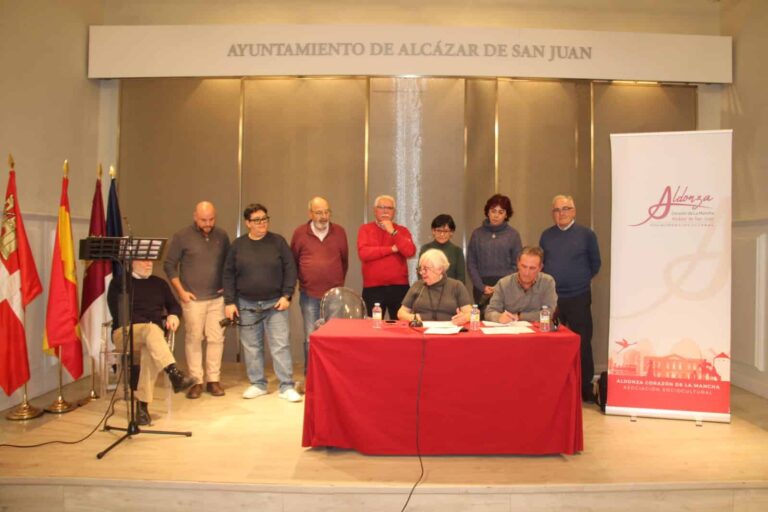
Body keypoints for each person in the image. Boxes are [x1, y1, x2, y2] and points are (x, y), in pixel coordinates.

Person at [223, 203, 301, 403]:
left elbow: (290, 269)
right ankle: (258, 384)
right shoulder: (237, 245)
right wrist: (230, 302)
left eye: (265, 219)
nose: (262, 223)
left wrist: (287, 296)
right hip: (246, 304)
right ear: (248, 223)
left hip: (276, 304)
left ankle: (286, 386)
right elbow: (228, 274)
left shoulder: (278, 242)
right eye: (257, 220)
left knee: (280, 345)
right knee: (251, 346)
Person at [107, 260, 196, 426]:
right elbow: (117, 313)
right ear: (132, 263)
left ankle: (142, 408)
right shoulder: (120, 283)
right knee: (152, 330)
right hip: (125, 333)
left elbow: (174, 306)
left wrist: (173, 315)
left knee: (150, 347)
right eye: (144, 261)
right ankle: (174, 373)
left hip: (152, 339)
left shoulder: (159, 283)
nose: (149, 265)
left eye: (150, 261)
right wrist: (144, 325)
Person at [164, 201, 230, 399]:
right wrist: (181, 292)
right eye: (203, 220)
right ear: (195, 216)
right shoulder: (181, 236)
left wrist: (227, 286)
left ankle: (213, 380)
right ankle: (196, 381)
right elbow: (169, 266)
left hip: (217, 299)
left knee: (217, 339)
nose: (208, 223)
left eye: (211, 219)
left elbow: (229, 264)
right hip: (192, 299)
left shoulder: (222, 236)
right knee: (194, 339)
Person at [539, 194, 601, 402]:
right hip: (552, 299)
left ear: (573, 211)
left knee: (582, 343)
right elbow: (542, 265)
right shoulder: (546, 236)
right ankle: (556, 387)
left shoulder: (586, 235)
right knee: (551, 343)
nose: (561, 213)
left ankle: (584, 388)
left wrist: (578, 280)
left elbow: (596, 264)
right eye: (557, 210)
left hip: (578, 296)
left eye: (565, 209)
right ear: (552, 214)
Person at [290, 196, 348, 374]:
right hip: (309, 295)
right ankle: (312, 375)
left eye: (326, 212)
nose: (324, 216)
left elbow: (344, 261)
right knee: (311, 337)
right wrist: (305, 281)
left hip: (335, 296)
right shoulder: (300, 233)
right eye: (319, 212)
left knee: (335, 337)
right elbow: (293, 262)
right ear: (310, 213)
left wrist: (336, 282)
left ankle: (333, 374)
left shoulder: (339, 231)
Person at [357, 194, 416, 318]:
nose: (385, 211)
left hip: (399, 288)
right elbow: (364, 253)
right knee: (373, 329)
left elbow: (410, 251)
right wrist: (392, 249)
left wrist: (393, 232)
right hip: (373, 288)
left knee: (402, 328)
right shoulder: (365, 229)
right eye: (381, 207)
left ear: (394, 212)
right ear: (374, 210)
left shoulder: (402, 231)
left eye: (389, 208)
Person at [467, 194, 523, 309]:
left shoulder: (513, 235)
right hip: (481, 287)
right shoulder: (477, 234)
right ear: (488, 212)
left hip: (506, 286)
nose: (496, 215)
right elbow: (471, 263)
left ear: (506, 215)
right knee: (481, 322)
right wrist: (481, 286)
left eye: (501, 212)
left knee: (504, 322)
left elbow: (517, 264)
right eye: (493, 211)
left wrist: (500, 286)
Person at [397, 249, 472, 325]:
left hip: (449, 331)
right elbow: (401, 313)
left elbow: (471, 313)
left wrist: (464, 318)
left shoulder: (457, 286)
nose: (422, 272)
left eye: (426, 269)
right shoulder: (417, 285)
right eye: (420, 269)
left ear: (439, 269)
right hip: (421, 331)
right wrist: (412, 317)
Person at [485, 246, 557, 323]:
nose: (526, 273)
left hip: (538, 331)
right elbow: (490, 312)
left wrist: (519, 316)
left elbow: (549, 313)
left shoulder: (547, 282)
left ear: (540, 268)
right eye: (524, 266)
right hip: (510, 331)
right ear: (518, 264)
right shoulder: (503, 283)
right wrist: (499, 317)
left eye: (532, 268)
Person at [418, 213, 466, 283]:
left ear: (451, 232)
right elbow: (420, 274)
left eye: (446, 231)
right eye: (439, 231)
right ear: (433, 231)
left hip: (451, 291)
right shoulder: (425, 249)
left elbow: (461, 278)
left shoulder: (457, 251)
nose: (442, 234)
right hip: (429, 289)